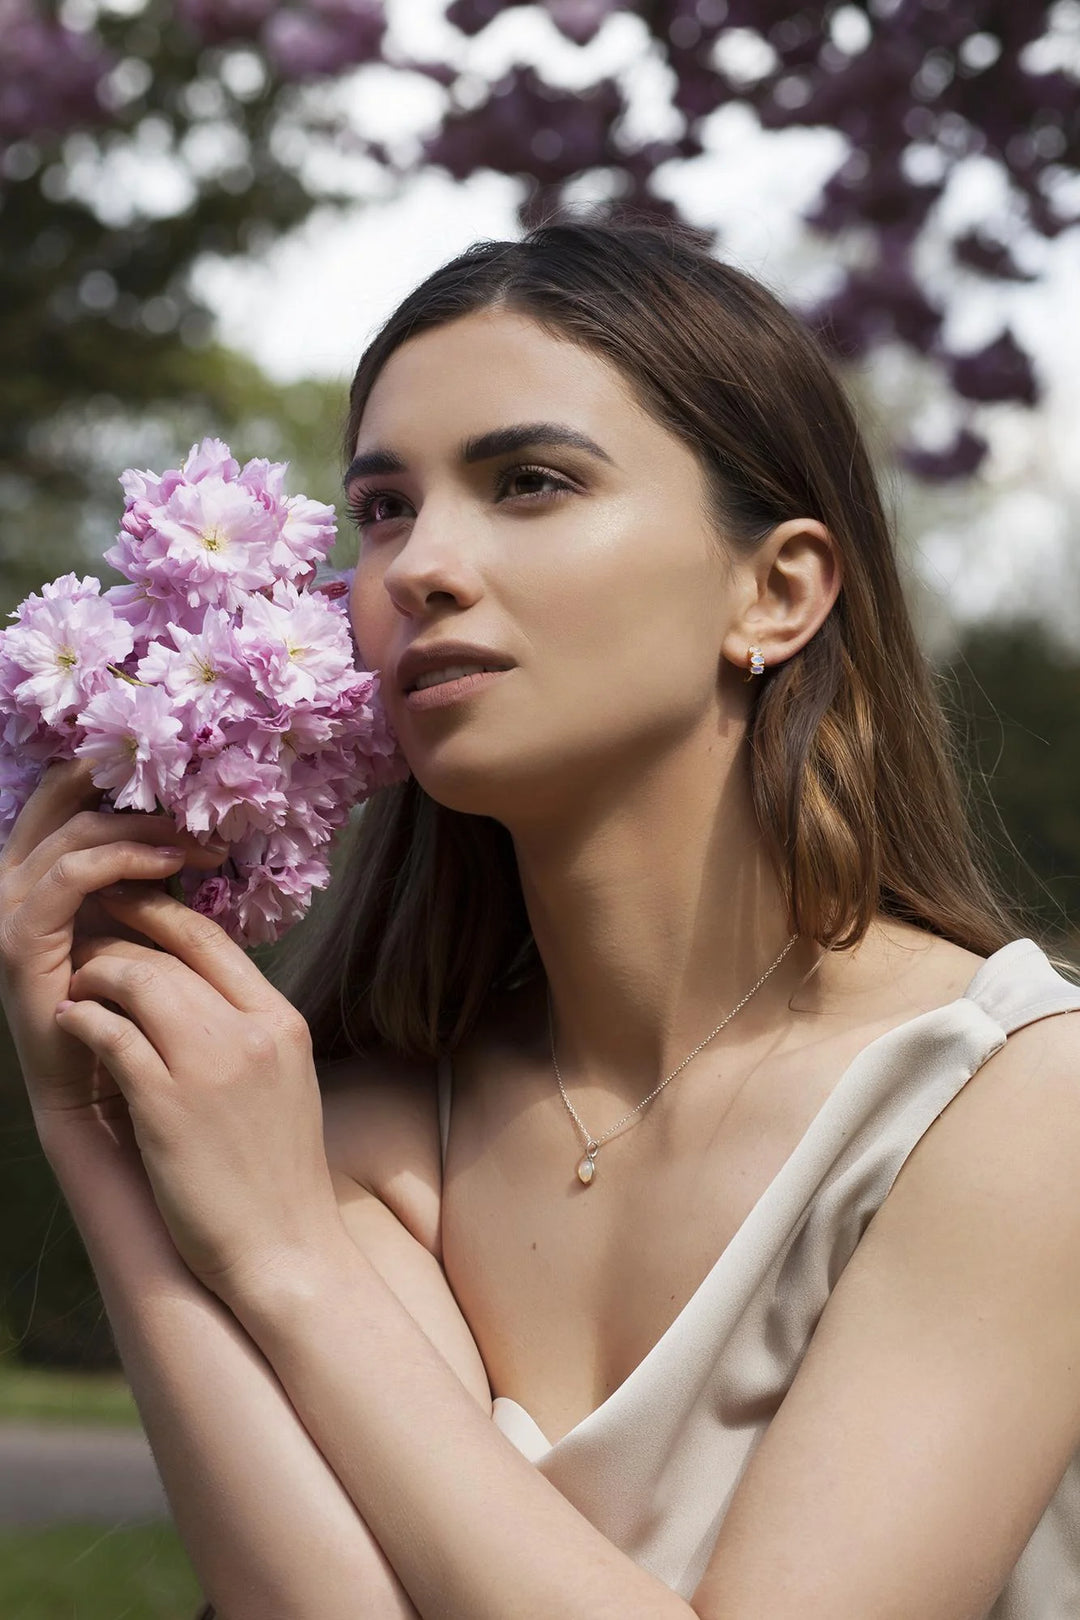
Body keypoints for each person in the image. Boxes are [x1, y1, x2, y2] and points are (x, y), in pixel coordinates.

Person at [2, 214, 1080, 1620]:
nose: (417, 568)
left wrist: (289, 1267)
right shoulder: (366, 1134)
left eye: (528, 481)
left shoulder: (1012, 1104)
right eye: (384, 507)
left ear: (777, 589)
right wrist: (87, 1119)